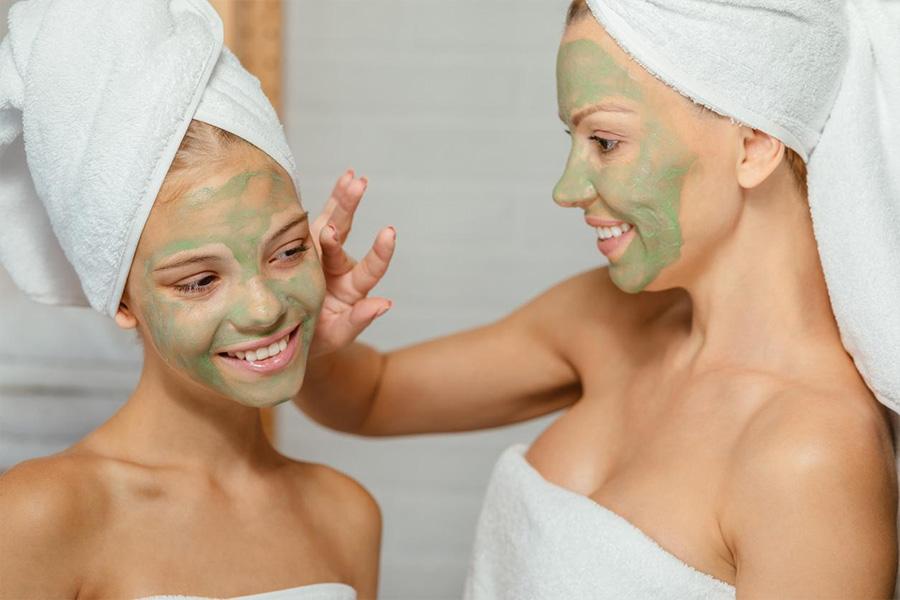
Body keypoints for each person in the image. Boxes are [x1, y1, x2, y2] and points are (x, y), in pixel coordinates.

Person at [297, 0, 900, 597]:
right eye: (574, 139)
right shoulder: (604, 319)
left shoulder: (810, 454)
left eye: (605, 142)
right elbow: (371, 398)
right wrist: (316, 331)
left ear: (754, 147)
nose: (566, 189)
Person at [0, 1, 390, 598]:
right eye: (199, 281)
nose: (264, 309)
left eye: (286, 251)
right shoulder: (38, 517)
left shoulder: (348, 515)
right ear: (121, 298)